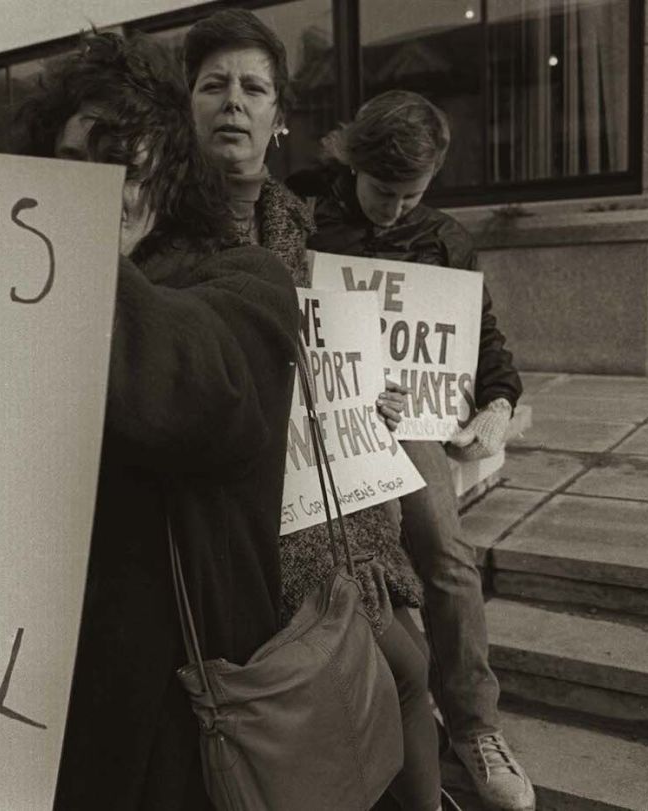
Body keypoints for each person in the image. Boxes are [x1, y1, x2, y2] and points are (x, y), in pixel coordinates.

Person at [0, 32, 300, 810]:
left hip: (179, 727)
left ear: (173, 172)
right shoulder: (9, 291)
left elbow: (183, 387)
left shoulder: (248, 284)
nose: (95, 189)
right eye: (72, 166)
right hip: (28, 701)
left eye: (123, 159)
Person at [184, 11, 443, 811]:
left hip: (339, 522)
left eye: (253, 86)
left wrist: (375, 400)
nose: (233, 101)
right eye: (213, 84)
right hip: (248, 539)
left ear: (278, 117)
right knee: (353, 695)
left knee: (409, 668)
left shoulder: (299, 225)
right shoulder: (157, 226)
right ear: (186, 107)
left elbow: (327, 370)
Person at [287, 89, 532, 811]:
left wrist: (497, 404)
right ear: (352, 164)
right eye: (383, 191)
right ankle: (380, 703)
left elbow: (489, 348)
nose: (395, 209)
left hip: (409, 422)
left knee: (445, 553)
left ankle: (475, 725)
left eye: (412, 195)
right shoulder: (304, 215)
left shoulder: (447, 239)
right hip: (319, 415)